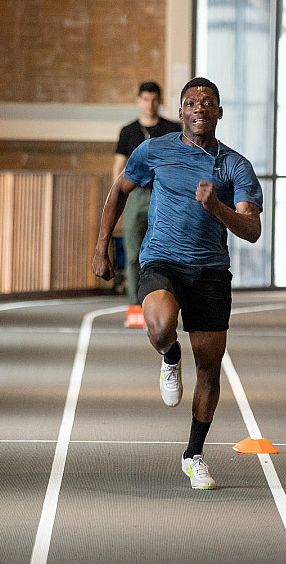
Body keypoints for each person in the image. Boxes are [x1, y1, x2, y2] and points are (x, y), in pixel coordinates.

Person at [91, 77, 263, 490]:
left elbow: (252, 229)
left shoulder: (235, 166)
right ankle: (169, 356)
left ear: (219, 112)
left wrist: (216, 206)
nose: (200, 108)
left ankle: (194, 455)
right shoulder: (155, 150)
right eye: (192, 103)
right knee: (162, 326)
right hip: (162, 260)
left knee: (209, 369)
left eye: (208, 103)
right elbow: (119, 190)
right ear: (181, 112)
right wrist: (102, 248)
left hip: (210, 272)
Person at [113, 82, 182, 305]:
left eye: (154, 100)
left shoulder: (173, 129)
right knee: (133, 253)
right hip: (135, 196)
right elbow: (118, 167)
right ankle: (135, 305)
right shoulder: (128, 131)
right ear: (138, 101)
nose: (150, 105)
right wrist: (117, 198)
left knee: (167, 253)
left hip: (164, 196)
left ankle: (166, 303)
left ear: (160, 101)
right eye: (145, 99)